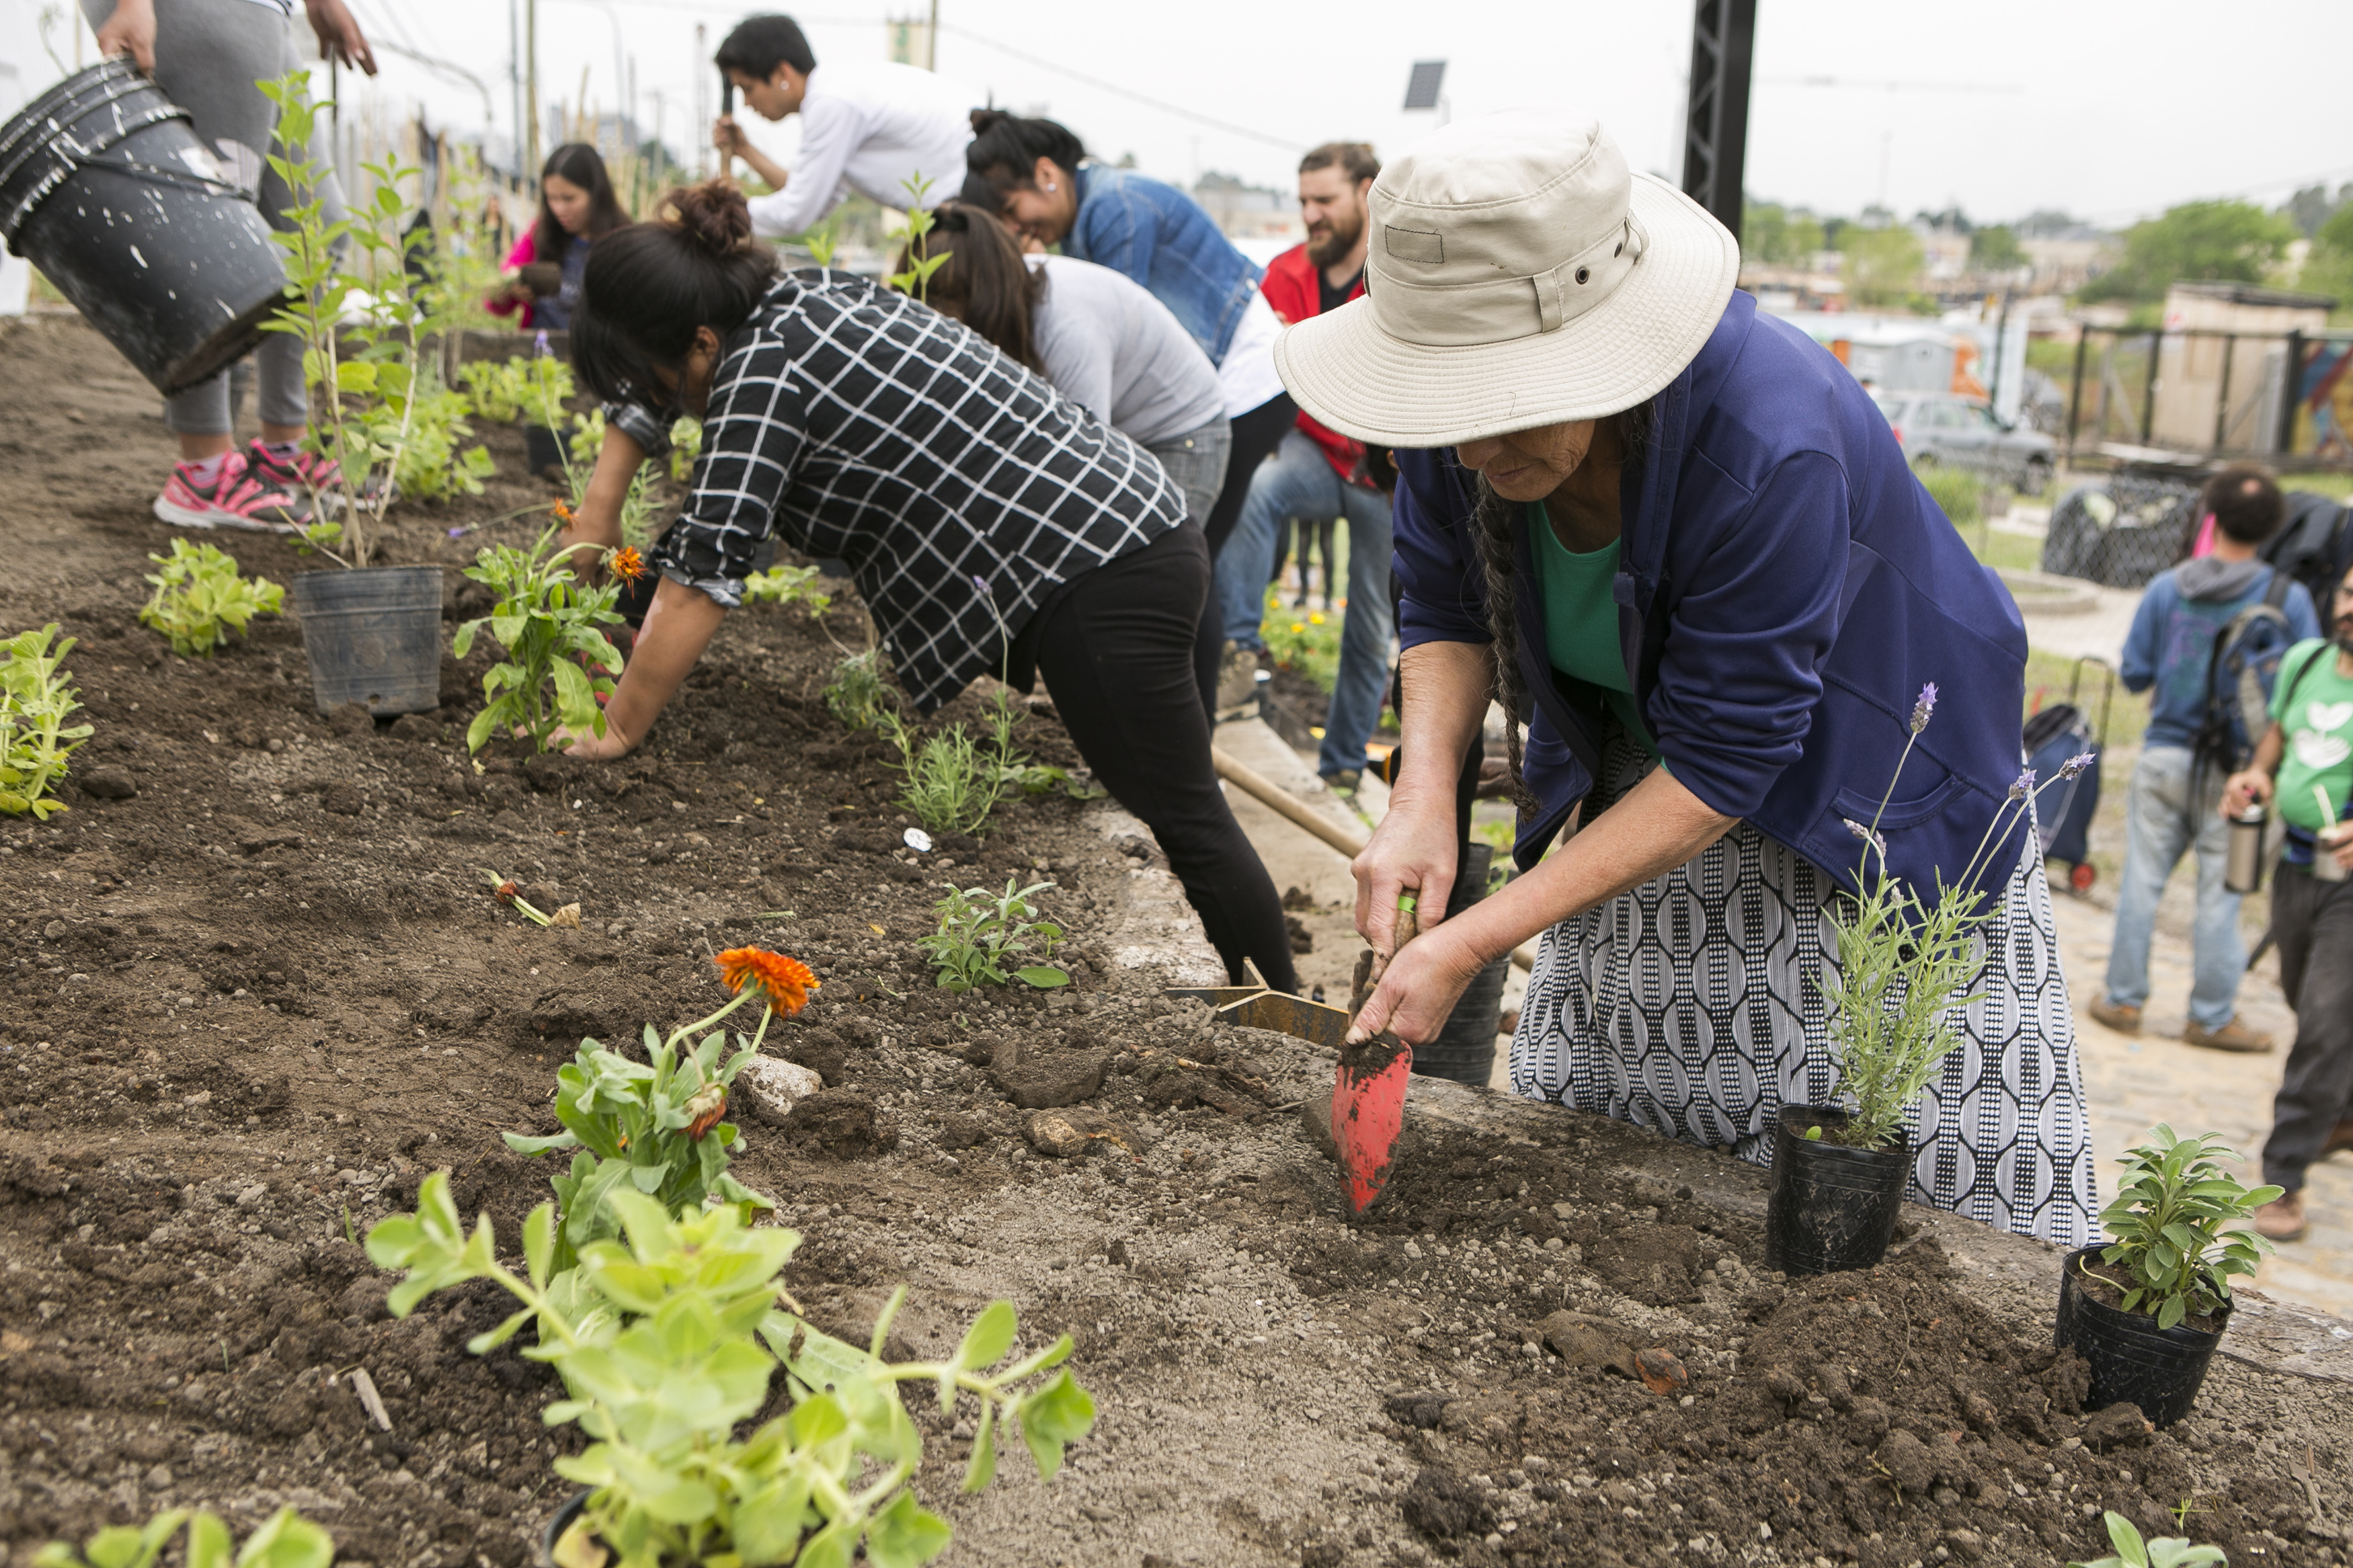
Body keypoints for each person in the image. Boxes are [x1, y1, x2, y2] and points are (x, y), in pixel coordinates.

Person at [1286, 112, 2098, 1246]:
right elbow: (1447, 603)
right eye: (1449, 413)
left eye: (1505, 410)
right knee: (1644, 1155)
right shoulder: (1456, 406)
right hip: (1649, 773)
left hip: (1868, 789)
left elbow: (1727, 757)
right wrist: (1425, 798)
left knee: (1870, 1145)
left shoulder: (1767, 440)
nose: (1467, 453)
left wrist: (1470, 940)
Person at [555, 181, 1295, 993]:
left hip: (1101, 572)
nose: (674, 407)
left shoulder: (758, 371)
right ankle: (1265, 1001)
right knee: (1182, 802)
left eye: (666, 382)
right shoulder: (804, 299)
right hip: (1127, 531)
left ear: (700, 341)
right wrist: (607, 574)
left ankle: (1281, 1013)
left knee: (1183, 814)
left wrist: (618, 728)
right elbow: (705, 530)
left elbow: (705, 575)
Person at [896, 204, 1230, 697]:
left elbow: (1078, 476)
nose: (945, 333)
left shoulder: (1066, 328)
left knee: (1149, 589)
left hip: (1180, 433)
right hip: (1117, 424)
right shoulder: (1005, 304)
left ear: (983, 299)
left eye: (951, 314)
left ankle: (1170, 727)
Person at [962, 113, 1295, 591]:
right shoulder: (1088, 216)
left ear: (1046, 175)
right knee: (1187, 559)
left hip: (1247, 386)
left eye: (1014, 211)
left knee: (1187, 559)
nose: (1017, 229)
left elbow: (1121, 335)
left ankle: (1207, 663)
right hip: (1234, 383)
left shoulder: (1114, 208)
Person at [85, 0, 373, 530]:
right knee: (208, 227)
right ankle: (204, 470)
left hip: (266, 12)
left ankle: (282, 451)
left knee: (311, 230)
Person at [2091, 466, 2316, 1051]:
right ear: (2273, 527)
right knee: (2223, 894)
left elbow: (2137, 672)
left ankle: (2122, 999)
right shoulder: (2287, 600)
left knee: (2141, 879)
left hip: (2165, 755)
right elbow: (2303, 691)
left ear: (2210, 515)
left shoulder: (2168, 587)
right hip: (2244, 775)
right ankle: (2212, 1016)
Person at [1211, 142, 1395, 784]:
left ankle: (1344, 766)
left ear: (1367, 193)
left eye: (1325, 201)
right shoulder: (1284, 275)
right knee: (1259, 487)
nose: (1312, 215)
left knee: (1371, 626)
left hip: (1386, 471)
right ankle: (1236, 652)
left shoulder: (1400, 275)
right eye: (1304, 202)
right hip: (1316, 451)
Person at [2223, 561, 2353, 1242]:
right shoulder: (2305, 660)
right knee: (2309, 998)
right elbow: (2273, 743)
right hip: (2296, 863)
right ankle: (2342, 1112)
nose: (2348, 608)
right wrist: (2252, 776)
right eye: (2347, 592)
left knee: (2326, 1020)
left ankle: (2285, 1175)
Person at [710, 13, 976, 241]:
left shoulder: (830, 102)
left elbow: (797, 212)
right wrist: (745, 151)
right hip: (966, 200)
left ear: (782, 74)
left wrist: (717, 215)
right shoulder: (834, 92)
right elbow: (816, 200)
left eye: (748, 88)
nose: (747, 103)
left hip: (979, 191)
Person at [488, 143, 629, 332]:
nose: (559, 209)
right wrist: (510, 291)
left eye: (569, 198)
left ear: (596, 194)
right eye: (552, 198)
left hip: (594, 356)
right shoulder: (539, 233)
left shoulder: (624, 241)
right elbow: (497, 302)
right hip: (539, 353)